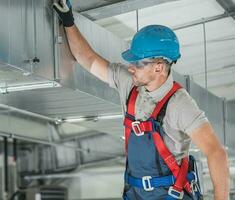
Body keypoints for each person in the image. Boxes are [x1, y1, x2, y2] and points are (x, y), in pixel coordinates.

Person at [53, 0, 230, 199]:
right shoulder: (130, 84)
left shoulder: (180, 104)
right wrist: (68, 20)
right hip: (134, 193)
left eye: (138, 63)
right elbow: (88, 59)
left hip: (169, 195)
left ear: (159, 67)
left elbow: (216, 153)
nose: (131, 67)